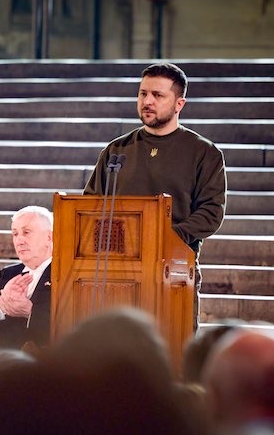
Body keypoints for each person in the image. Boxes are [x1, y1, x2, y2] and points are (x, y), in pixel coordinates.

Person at [84, 62, 227, 330]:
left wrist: (163, 237)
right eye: (142, 94)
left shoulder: (204, 153)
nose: (147, 101)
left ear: (179, 104)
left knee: (171, 353)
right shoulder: (117, 150)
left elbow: (211, 213)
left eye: (158, 95)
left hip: (171, 268)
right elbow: (91, 204)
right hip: (117, 269)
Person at [0, 205, 53, 350]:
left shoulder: (65, 275)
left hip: (36, 366)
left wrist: (29, 312)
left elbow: (68, 332)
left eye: (26, 232)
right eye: (15, 234)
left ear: (49, 237)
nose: (19, 241)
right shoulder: (10, 274)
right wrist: (0, 307)